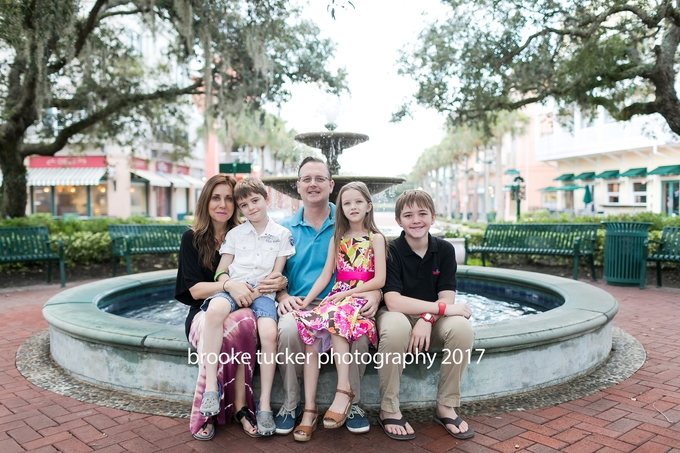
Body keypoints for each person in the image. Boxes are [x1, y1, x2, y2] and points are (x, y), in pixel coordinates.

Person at [174, 174, 287, 441]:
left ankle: (241, 406)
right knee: (228, 326)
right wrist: (229, 286)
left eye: (228, 198)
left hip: (245, 304)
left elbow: (272, 274)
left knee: (246, 323)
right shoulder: (192, 238)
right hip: (205, 311)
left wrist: (281, 285)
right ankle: (207, 408)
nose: (222, 204)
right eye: (216, 197)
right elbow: (193, 290)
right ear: (206, 201)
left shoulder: (246, 232)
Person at [275, 157, 381, 435]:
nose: (313, 184)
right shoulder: (284, 229)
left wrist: (377, 292)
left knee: (357, 336)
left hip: (344, 301)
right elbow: (273, 273)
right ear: (298, 186)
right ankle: (292, 404)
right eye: (307, 179)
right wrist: (283, 294)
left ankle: (352, 402)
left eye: (319, 178)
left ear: (331, 185)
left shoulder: (345, 221)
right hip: (301, 303)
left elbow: (372, 269)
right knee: (287, 330)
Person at [376, 189, 475, 441]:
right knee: (397, 327)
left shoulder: (444, 250)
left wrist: (427, 319)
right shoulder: (391, 250)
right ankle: (389, 408)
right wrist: (433, 312)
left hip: (432, 317)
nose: (416, 220)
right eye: (408, 215)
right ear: (398, 221)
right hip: (396, 314)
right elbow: (393, 301)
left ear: (433, 216)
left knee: (462, 329)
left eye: (422, 213)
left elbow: (446, 297)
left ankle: (446, 405)